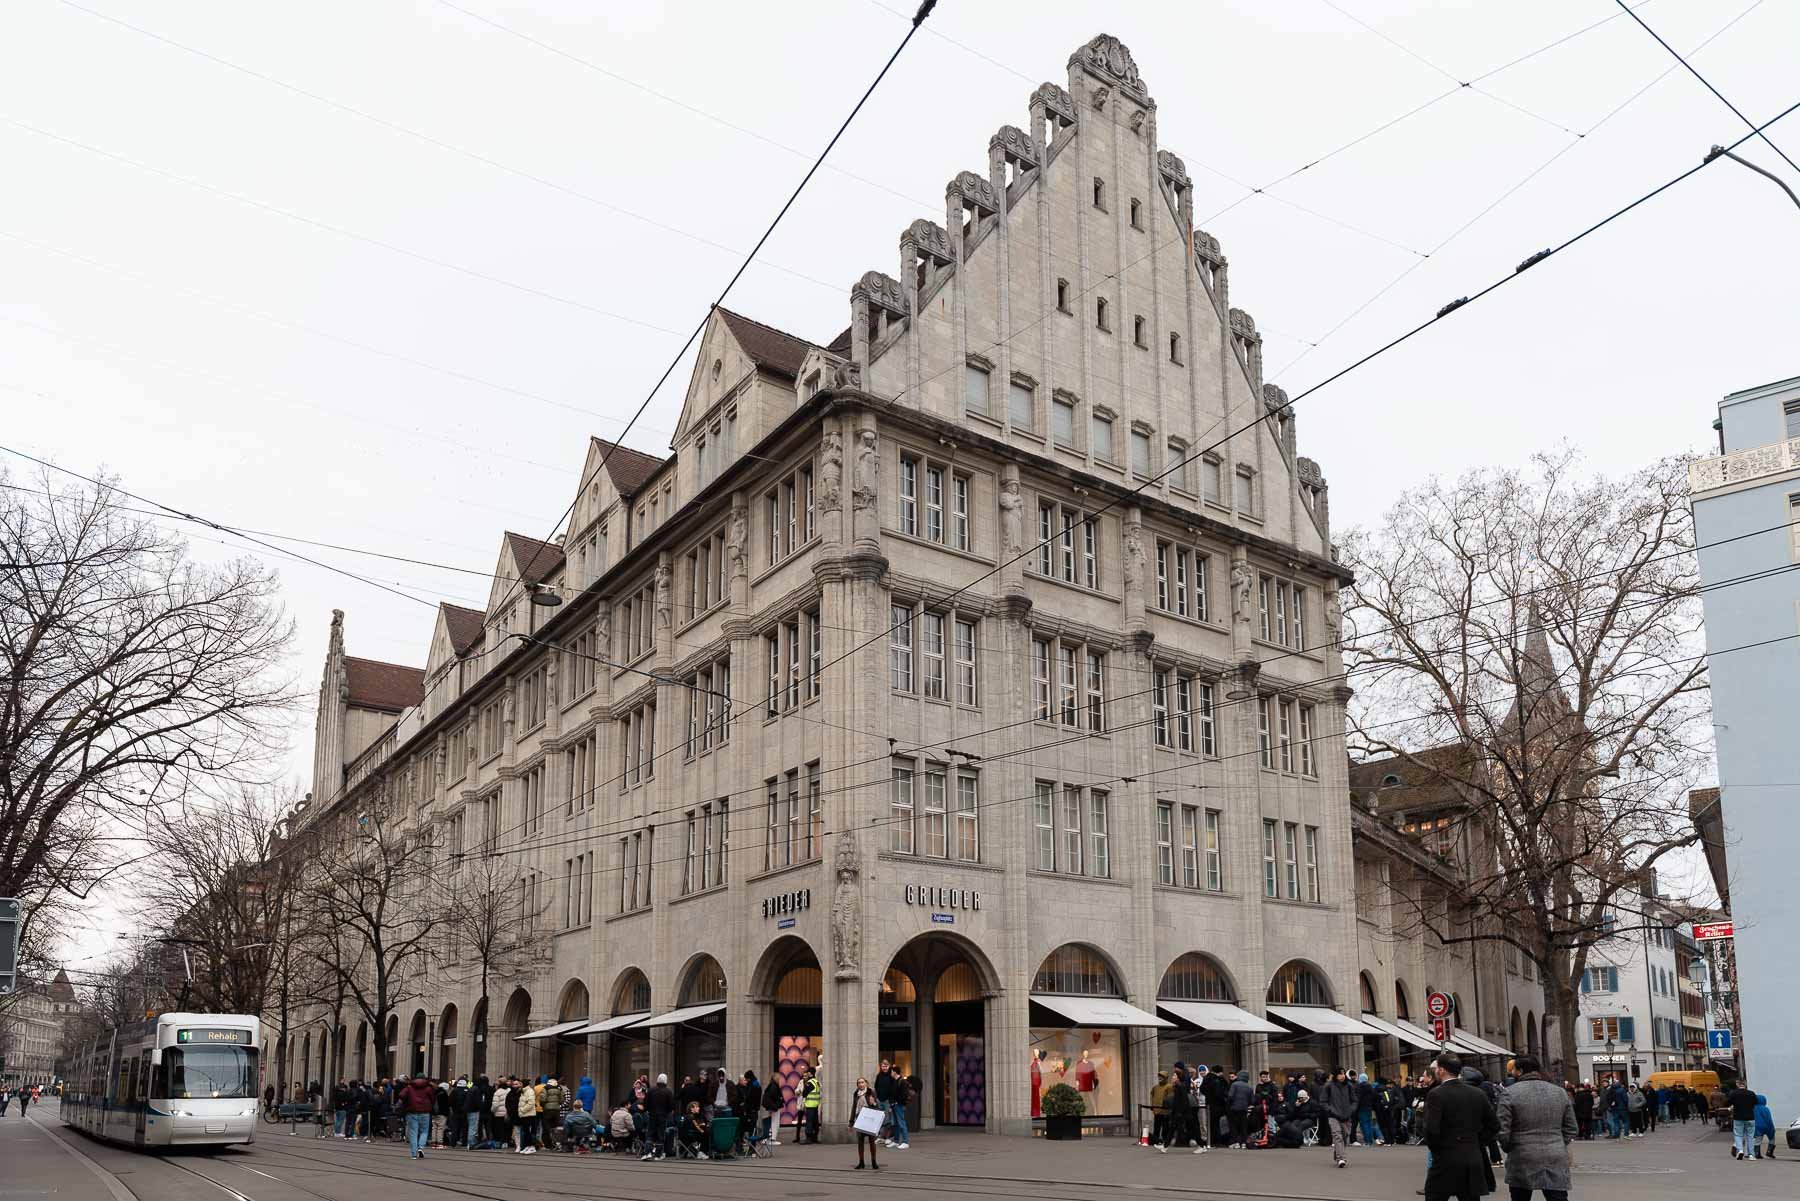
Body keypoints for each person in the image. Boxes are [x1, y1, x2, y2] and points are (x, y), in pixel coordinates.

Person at [1497, 1055, 1576, 1201]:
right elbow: (1571, 1127)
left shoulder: (1510, 1092)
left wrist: (1509, 1146)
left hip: (1522, 1154)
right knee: (1557, 1196)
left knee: (1520, 1196)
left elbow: (1503, 1129)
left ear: (1520, 1071)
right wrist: (1558, 1141)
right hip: (1555, 1153)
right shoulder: (1559, 1092)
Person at [1423, 1055, 1500, 1201]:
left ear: (1442, 1070)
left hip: (1445, 1157)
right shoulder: (1478, 1093)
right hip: (1472, 1155)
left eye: (1437, 1069)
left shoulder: (1436, 1094)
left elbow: (1431, 1129)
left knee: (1435, 1196)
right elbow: (1494, 1125)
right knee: (1470, 1197)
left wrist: (1438, 1148)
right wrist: (1477, 1142)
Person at [1320, 1067, 1358, 1168]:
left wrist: (1351, 1110)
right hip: (1333, 1116)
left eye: (1343, 1073)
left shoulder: (1349, 1086)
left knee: (1345, 1137)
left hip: (1347, 1116)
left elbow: (1355, 1100)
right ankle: (1341, 1158)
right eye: (1340, 1074)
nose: (1342, 1076)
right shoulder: (1328, 1086)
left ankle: (1337, 1153)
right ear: (1335, 1075)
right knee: (1337, 1136)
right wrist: (1330, 1110)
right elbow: (1323, 1101)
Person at [398, 1073, 435, 1160]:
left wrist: (407, 1103)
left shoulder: (409, 1087)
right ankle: (420, 1147)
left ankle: (414, 1154)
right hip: (425, 1112)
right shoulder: (428, 1088)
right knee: (424, 1131)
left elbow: (401, 1095)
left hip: (412, 1112)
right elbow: (433, 1099)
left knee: (413, 1133)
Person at [851, 1077, 881, 1170]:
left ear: (866, 1083)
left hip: (869, 1118)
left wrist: (874, 1103)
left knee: (872, 1141)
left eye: (862, 1082)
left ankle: (873, 1162)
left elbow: (878, 1106)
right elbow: (854, 1107)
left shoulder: (871, 1092)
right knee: (860, 1141)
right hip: (859, 1118)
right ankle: (861, 1162)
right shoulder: (856, 1094)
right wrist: (851, 1122)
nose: (861, 1084)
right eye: (859, 1083)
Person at [1726, 1081, 1757, 1160]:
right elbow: (1755, 1103)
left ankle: (1740, 1150)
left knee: (1738, 1135)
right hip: (1750, 1117)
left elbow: (1728, 1102)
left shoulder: (1734, 1093)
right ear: (1745, 1085)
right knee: (1750, 1136)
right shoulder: (1751, 1093)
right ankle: (1751, 1155)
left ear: (1738, 1085)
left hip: (1738, 1117)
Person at [1226, 1070, 1253, 1147]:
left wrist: (1229, 1105)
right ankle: (1244, 1142)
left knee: (1233, 1126)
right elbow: (1252, 1100)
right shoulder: (1249, 1087)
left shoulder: (1234, 1084)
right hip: (1244, 1109)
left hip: (1234, 1108)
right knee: (1243, 1126)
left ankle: (1236, 1142)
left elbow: (1230, 1096)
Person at [514, 1074, 539, 1153]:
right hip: (524, 1115)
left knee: (528, 1132)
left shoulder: (529, 1091)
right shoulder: (523, 1091)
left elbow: (531, 1103)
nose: (519, 1085)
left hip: (529, 1115)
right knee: (526, 1132)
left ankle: (532, 1146)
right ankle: (528, 1146)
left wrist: (522, 1110)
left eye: (520, 1083)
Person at [1356, 1072, 1382, 1146]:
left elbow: (1358, 1098)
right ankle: (1370, 1141)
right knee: (1369, 1124)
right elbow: (1376, 1096)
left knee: (1364, 1124)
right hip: (1369, 1108)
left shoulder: (1359, 1087)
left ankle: (1367, 1141)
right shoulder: (1370, 1087)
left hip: (1361, 1108)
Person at [799, 1065, 822, 1144]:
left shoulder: (810, 1083)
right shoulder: (816, 1082)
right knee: (815, 1122)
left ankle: (808, 1138)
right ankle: (815, 1137)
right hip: (816, 1104)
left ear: (810, 1073)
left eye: (808, 1073)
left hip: (810, 1105)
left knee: (809, 1121)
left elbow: (804, 1094)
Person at [540, 1077, 564, 1151]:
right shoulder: (559, 1089)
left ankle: (547, 1144)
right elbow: (562, 1099)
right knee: (555, 1127)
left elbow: (543, 1099)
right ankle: (556, 1143)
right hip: (556, 1110)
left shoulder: (545, 1088)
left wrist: (544, 1105)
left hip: (547, 1110)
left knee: (546, 1128)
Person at [760, 1074, 784, 1145]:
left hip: (772, 1106)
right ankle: (772, 1139)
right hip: (774, 1107)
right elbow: (775, 1097)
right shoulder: (774, 1086)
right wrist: (777, 1103)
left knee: (772, 1121)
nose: (779, 1080)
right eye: (778, 1078)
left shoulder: (771, 1085)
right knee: (775, 1122)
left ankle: (769, 1138)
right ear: (775, 1079)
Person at [1752, 1093, 1775, 1160]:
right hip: (1766, 1126)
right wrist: (1772, 1127)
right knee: (1772, 1138)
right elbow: (1768, 1119)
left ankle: (1757, 1153)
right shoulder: (1765, 1109)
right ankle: (1769, 1152)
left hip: (1757, 1126)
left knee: (1758, 1140)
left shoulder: (1753, 1108)